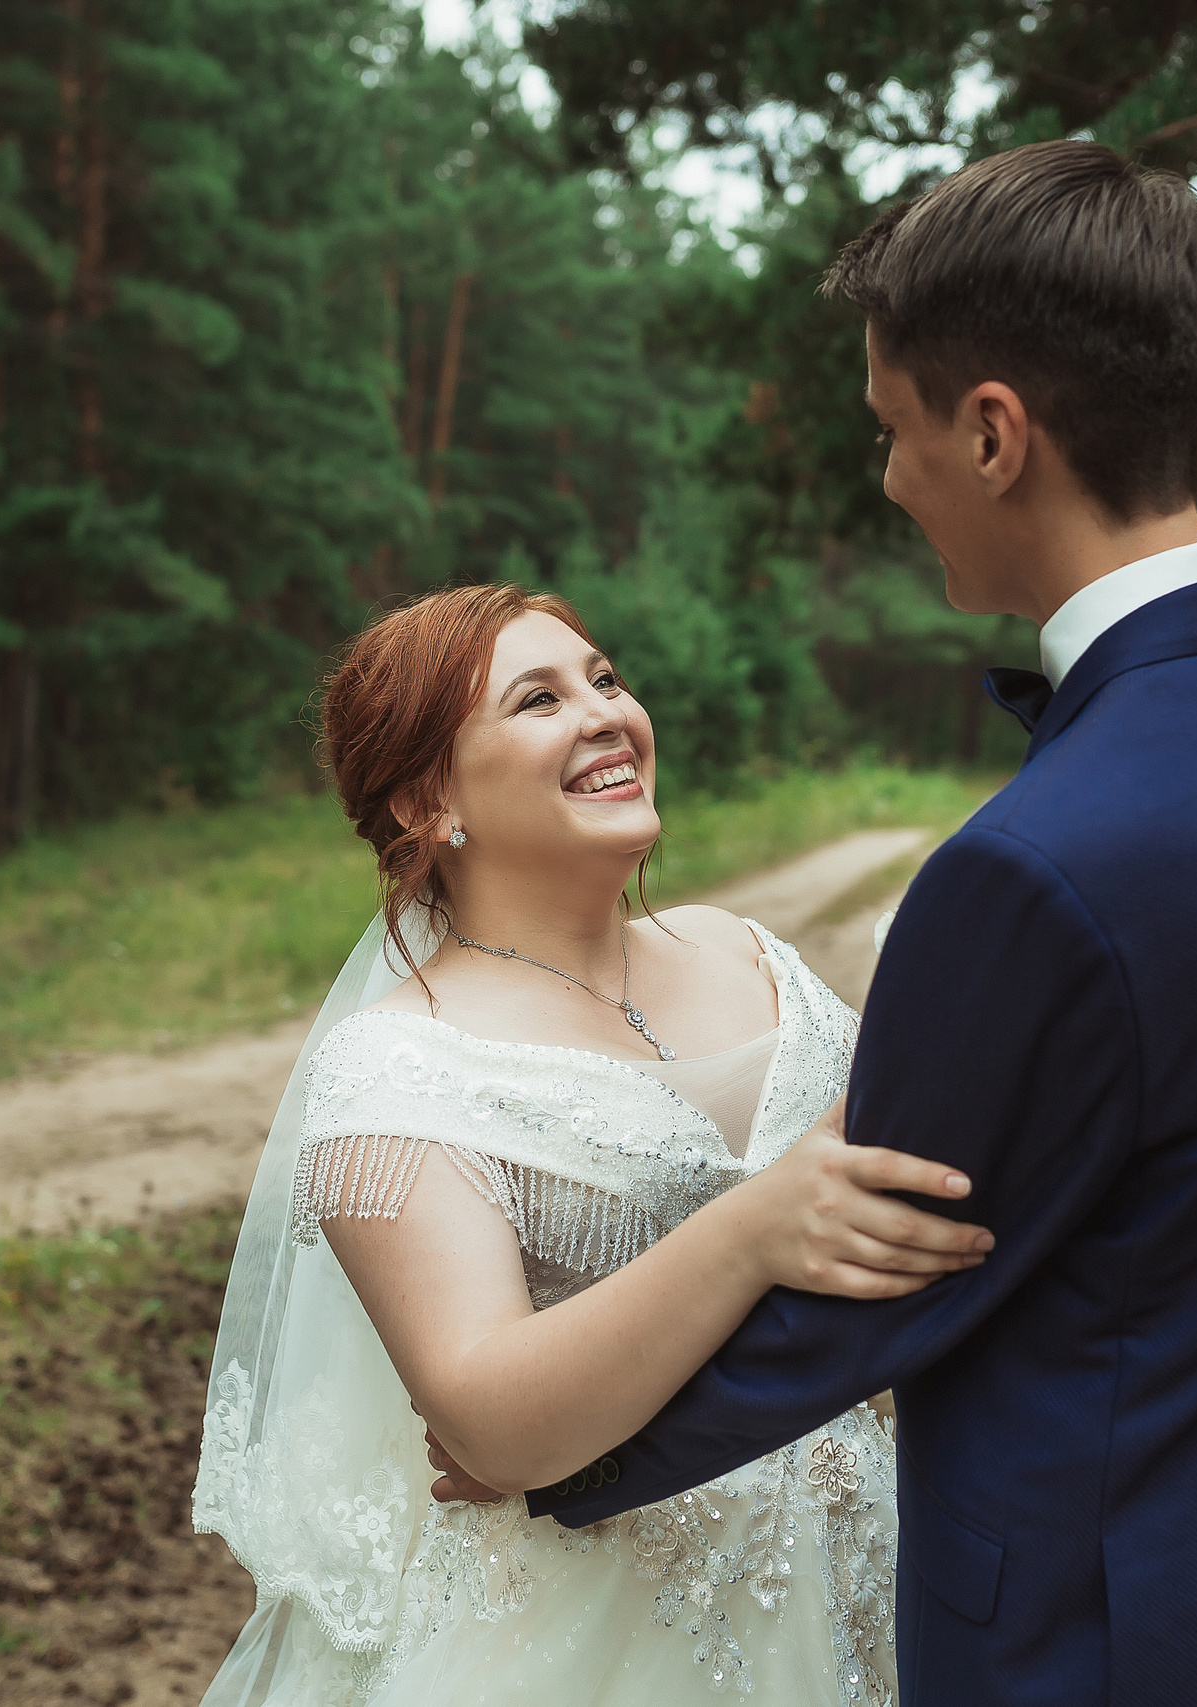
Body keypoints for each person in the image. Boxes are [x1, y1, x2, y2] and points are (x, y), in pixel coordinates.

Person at [509, 139, 1197, 1705]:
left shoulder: (1032, 869)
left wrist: (543, 1452)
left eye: (892, 428)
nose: (887, 478)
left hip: (1082, 1639)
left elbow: (869, 1282)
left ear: (995, 431)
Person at [189, 580, 993, 1707]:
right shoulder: (397, 1066)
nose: (604, 712)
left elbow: (913, 1206)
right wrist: (753, 1233)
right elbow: (490, 1420)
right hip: (601, 1647)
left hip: (877, 1589)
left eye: (604, 679)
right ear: (428, 800)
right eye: (537, 700)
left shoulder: (750, 955)